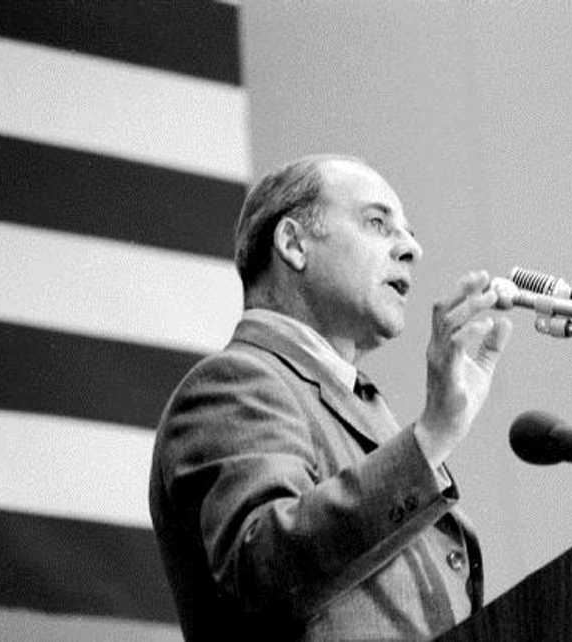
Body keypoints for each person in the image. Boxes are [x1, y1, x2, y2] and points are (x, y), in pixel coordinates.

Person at [149, 154, 513, 640]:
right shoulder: (234, 382)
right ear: (294, 244)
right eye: (378, 223)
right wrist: (430, 439)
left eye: (409, 231)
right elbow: (261, 568)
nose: (411, 249)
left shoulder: (361, 405)